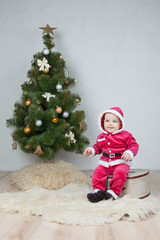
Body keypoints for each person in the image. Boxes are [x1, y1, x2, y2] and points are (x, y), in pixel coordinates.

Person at [84, 107, 139, 203]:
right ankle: (98, 192)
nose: (110, 124)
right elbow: (98, 147)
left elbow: (134, 145)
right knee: (97, 172)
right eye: (107, 121)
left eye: (114, 121)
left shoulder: (126, 135)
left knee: (121, 173)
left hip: (121, 163)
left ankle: (113, 193)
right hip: (105, 164)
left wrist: (129, 153)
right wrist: (92, 150)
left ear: (120, 123)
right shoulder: (101, 136)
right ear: (102, 122)